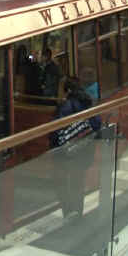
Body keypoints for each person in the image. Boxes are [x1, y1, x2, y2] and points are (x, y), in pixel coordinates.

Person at [51, 78, 101, 218]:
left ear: (67, 91)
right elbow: (97, 124)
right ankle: (78, 212)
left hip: (69, 153)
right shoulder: (87, 102)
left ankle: (68, 212)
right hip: (86, 150)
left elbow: (55, 131)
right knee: (78, 182)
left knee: (60, 183)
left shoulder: (65, 107)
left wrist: (54, 149)